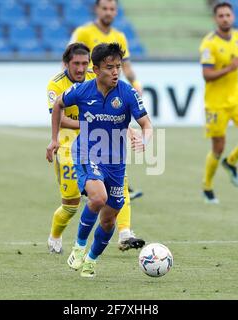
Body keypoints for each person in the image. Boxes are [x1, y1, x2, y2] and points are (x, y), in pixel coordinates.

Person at [46, 43, 152, 277]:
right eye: (109, 67)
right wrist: (54, 140)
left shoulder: (127, 93)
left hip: (115, 161)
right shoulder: (83, 91)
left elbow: (146, 124)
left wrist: (144, 141)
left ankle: (91, 260)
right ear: (96, 69)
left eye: (118, 67)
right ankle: (79, 246)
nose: (115, 72)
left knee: (108, 220)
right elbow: (58, 105)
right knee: (98, 197)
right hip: (86, 151)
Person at [70, 0, 146, 247]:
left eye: (113, 9)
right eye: (105, 8)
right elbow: (71, 61)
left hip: (110, 105)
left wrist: (135, 83)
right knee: (80, 190)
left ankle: (124, 232)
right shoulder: (83, 33)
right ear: (97, 10)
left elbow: (127, 66)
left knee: (118, 179)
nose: (109, 12)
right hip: (88, 105)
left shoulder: (119, 36)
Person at [199, 2, 238, 204]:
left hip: (236, 96)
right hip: (216, 102)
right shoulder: (208, 44)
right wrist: (229, 68)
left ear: (233, 17)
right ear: (215, 19)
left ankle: (231, 161)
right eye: (221, 16)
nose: (225, 18)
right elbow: (207, 75)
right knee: (218, 147)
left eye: (228, 15)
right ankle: (207, 186)